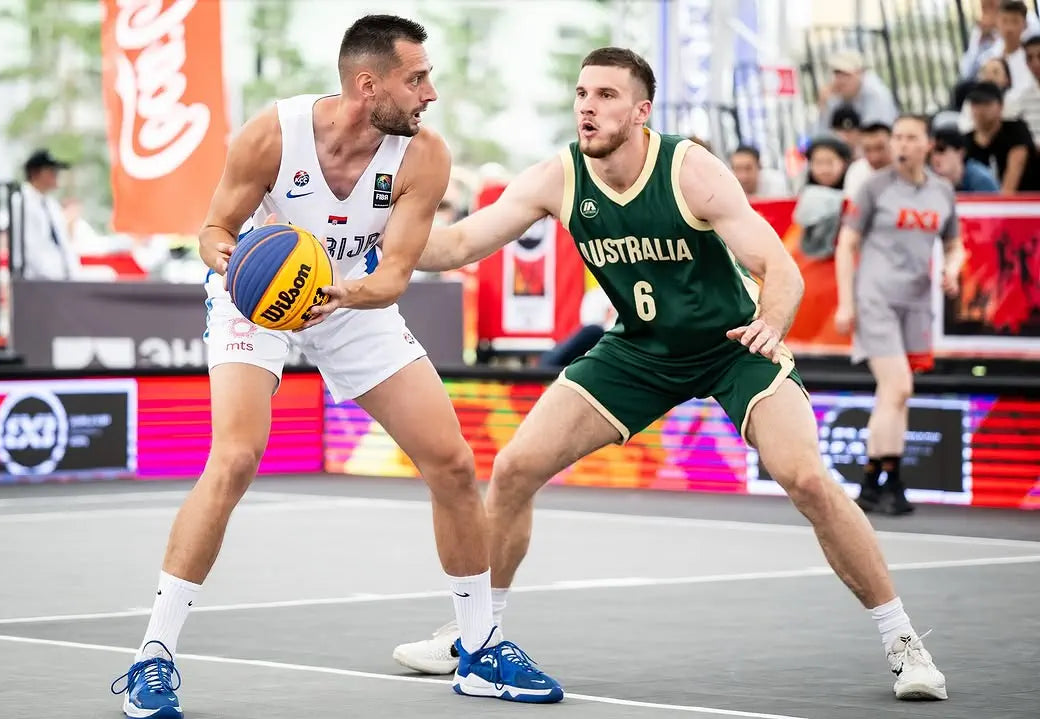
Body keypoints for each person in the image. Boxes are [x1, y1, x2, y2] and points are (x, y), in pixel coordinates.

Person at [393, 47, 948, 702]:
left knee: (806, 478)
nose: (587, 107)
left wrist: (772, 321)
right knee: (513, 468)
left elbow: (782, 267)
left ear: (641, 111)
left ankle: (903, 640)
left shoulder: (690, 170)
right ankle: (474, 635)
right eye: (581, 94)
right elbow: (458, 245)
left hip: (733, 344)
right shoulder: (558, 178)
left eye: (604, 95)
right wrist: (373, 231)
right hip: (640, 350)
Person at [109, 15, 560, 719]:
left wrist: (339, 293)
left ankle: (479, 647)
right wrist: (229, 261)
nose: (429, 93)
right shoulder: (272, 134)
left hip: (350, 294)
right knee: (234, 458)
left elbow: (395, 276)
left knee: (451, 461)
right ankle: (152, 658)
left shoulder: (423, 157)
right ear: (367, 83)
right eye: (417, 79)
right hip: (254, 296)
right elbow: (213, 230)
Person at [834, 115, 966, 516]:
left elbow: (955, 244)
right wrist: (846, 302)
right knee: (899, 387)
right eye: (898, 137)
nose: (902, 144)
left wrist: (952, 270)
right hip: (876, 298)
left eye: (911, 137)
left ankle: (874, 481)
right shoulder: (874, 187)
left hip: (917, 303)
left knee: (892, 396)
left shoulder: (942, 192)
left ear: (928, 144)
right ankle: (892, 479)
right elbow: (846, 244)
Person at [13, 148, 80, 280]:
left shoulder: (51, 205)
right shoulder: (21, 203)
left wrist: (71, 273)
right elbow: (32, 252)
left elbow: (64, 244)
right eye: (51, 171)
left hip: (59, 278)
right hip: (35, 281)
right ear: (35, 173)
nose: (55, 175)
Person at [930, 127, 1001, 192]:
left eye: (941, 150)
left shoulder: (981, 181)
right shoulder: (929, 179)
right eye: (930, 152)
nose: (934, 157)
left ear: (960, 153)